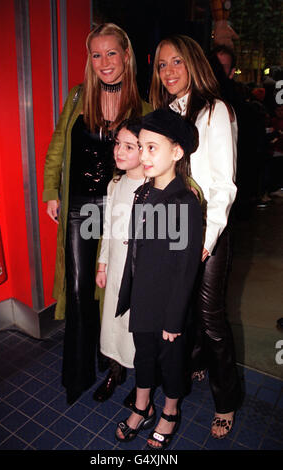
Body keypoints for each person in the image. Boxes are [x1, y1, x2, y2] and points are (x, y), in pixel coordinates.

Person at [43, 23, 151, 405]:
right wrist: (51, 191)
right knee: (78, 288)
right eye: (96, 54)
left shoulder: (144, 105)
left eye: (111, 53)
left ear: (126, 54)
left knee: (117, 290)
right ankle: (77, 370)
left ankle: (116, 366)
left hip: (122, 208)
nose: (104, 62)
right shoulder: (77, 98)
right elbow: (58, 145)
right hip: (81, 206)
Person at [149, 35, 241, 439]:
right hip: (172, 227)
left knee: (210, 315)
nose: (168, 71)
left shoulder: (215, 110)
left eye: (176, 63)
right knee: (181, 309)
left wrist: (208, 238)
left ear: (193, 64)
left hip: (207, 229)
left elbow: (224, 184)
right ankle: (196, 359)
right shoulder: (163, 113)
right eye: (162, 65)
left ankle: (227, 401)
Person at [114, 109, 203, 449]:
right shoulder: (143, 194)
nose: (144, 155)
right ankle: (141, 406)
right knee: (143, 356)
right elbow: (138, 252)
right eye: (142, 147)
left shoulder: (185, 202)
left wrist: (174, 316)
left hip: (169, 306)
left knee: (172, 361)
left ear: (177, 152)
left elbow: (185, 270)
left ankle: (169, 410)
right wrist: (130, 294)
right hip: (143, 298)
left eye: (153, 148)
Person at [93, 119, 145, 402]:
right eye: (117, 144)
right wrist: (102, 264)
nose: (119, 151)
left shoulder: (155, 187)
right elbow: (107, 229)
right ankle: (115, 371)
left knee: (136, 326)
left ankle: (142, 382)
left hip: (139, 271)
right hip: (114, 267)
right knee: (112, 322)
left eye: (129, 146)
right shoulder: (116, 184)